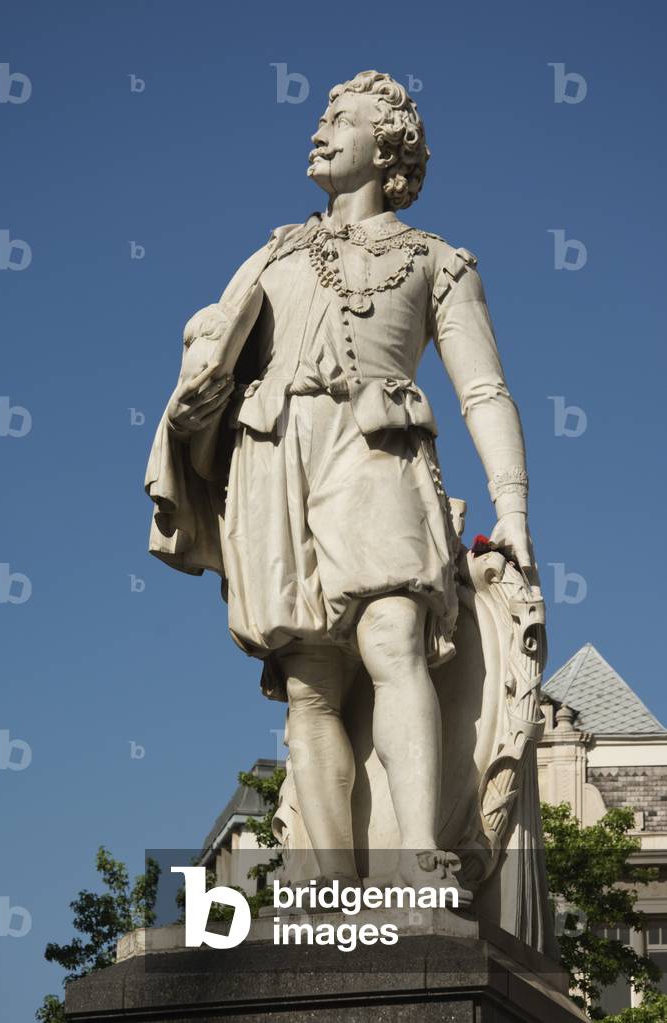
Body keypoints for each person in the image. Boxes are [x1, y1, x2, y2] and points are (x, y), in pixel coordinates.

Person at [146, 70, 534, 890]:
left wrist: (513, 507)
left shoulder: (437, 261)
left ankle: (418, 857)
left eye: (340, 119)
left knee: (393, 638)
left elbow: (484, 391)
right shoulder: (271, 255)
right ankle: (328, 884)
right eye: (321, 117)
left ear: (387, 148)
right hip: (276, 461)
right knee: (310, 687)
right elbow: (209, 360)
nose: (319, 130)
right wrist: (190, 405)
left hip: (380, 452)